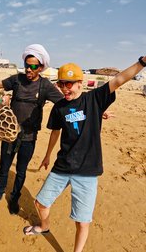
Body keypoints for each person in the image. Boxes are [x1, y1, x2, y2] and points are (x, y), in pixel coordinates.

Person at [23, 56, 146, 252]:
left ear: (80, 84)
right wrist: (47, 155)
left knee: (82, 221)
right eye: (61, 84)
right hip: (62, 166)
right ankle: (44, 227)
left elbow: (120, 79)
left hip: (87, 171)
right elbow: (55, 132)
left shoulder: (94, 99)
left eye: (69, 84)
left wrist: (142, 62)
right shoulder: (59, 108)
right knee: (41, 203)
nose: (65, 88)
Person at [0, 44, 64, 213]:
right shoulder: (17, 80)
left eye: (33, 67)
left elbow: (64, 103)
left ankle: (14, 197)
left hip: (29, 137)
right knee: (4, 166)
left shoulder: (45, 86)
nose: (29, 70)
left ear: (40, 67)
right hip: (10, 134)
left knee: (21, 171)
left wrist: (94, 110)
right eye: (27, 65)